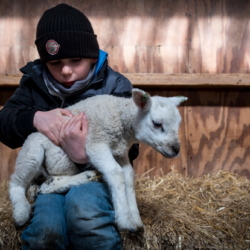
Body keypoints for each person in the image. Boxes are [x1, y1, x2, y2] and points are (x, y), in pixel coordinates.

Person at [0, 3, 138, 250]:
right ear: (44, 63)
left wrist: (84, 155)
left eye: (76, 60)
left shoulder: (115, 86)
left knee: (86, 217)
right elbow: (4, 123)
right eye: (55, 63)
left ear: (92, 56)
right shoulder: (34, 84)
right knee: (44, 231)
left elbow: (131, 145)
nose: (65, 70)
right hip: (50, 179)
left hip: (96, 177)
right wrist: (34, 118)